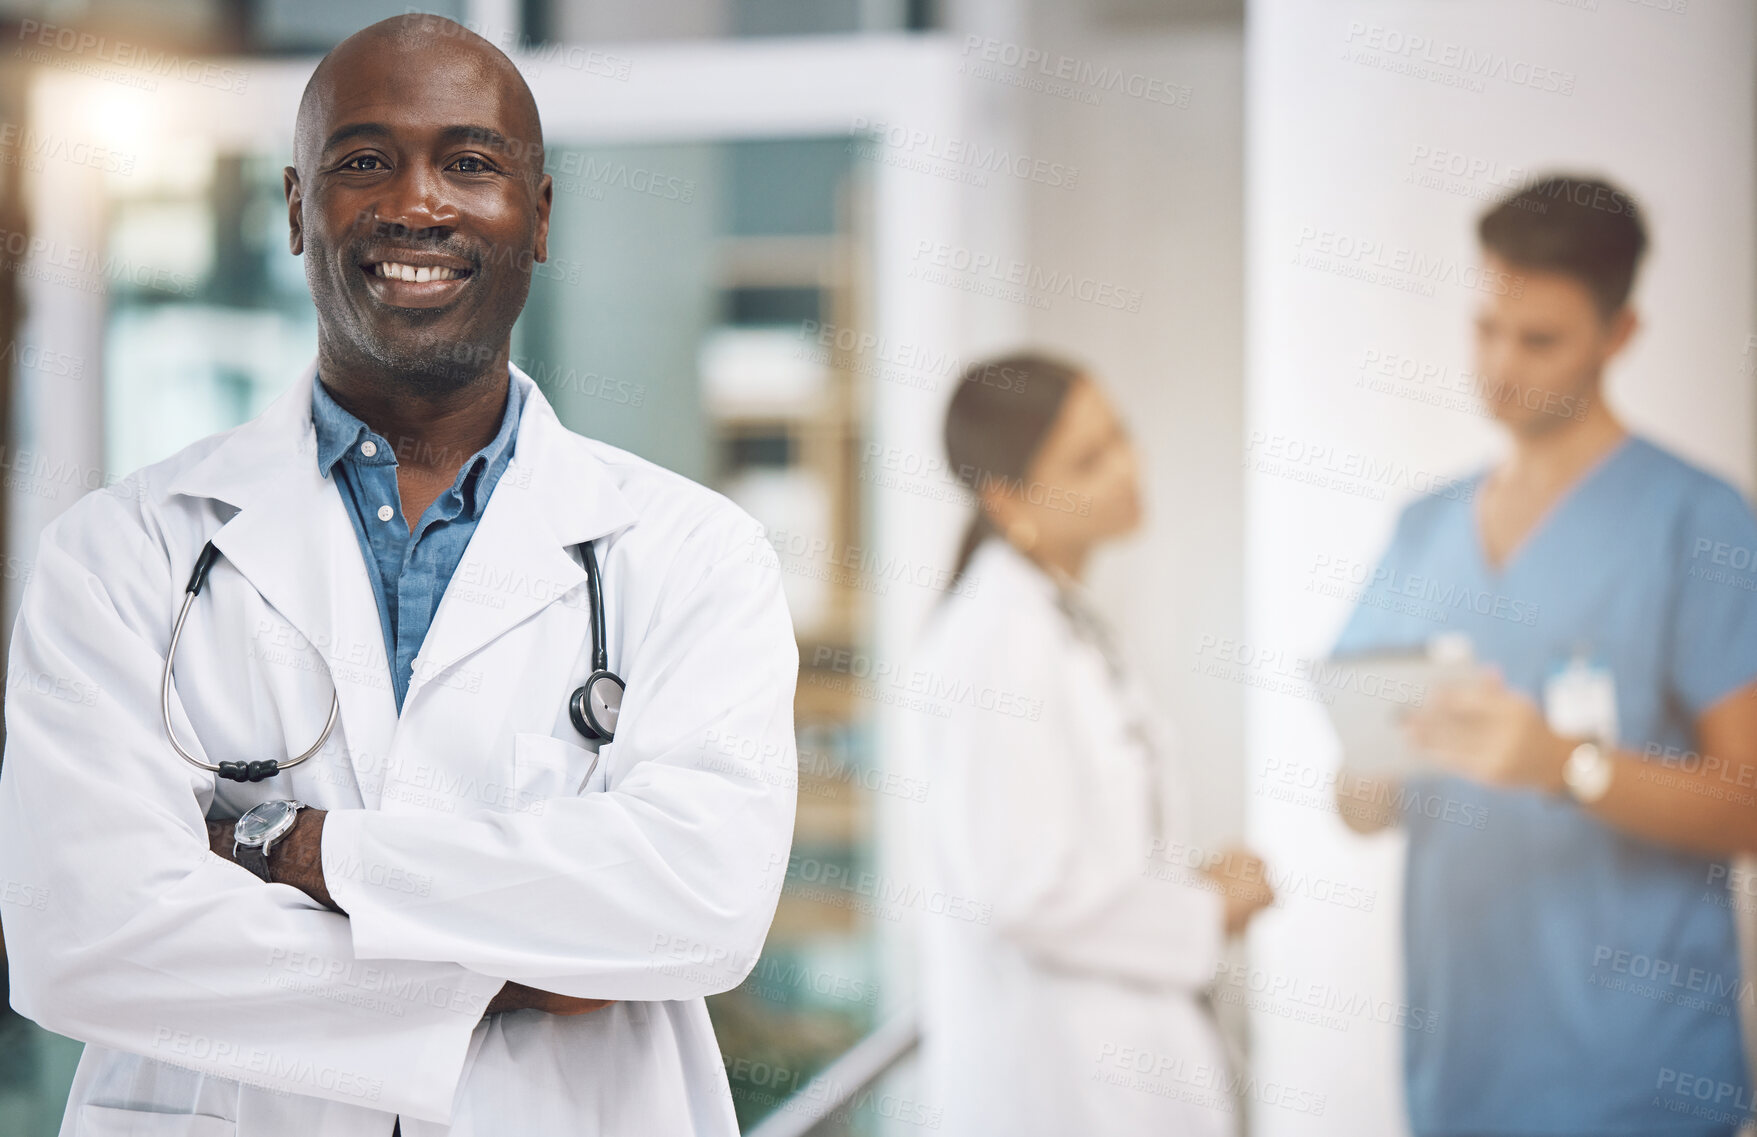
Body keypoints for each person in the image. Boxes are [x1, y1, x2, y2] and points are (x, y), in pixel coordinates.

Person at [0, 16, 798, 1137]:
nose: (417, 204)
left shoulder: (690, 553)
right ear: (293, 207)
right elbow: (79, 939)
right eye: (364, 160)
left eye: (470, 163)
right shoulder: (120, 553)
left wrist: (300, 850)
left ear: (541, 215)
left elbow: (699, 907)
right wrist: (521, 968)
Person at [1333, 175, 1757, 1136]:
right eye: (1484, 328)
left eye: (1538, 340)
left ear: (1619, 335)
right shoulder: (1422, 530)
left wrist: (1563, 765)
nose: (1498, 366)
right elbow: (1360, 802)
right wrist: (1369, 763)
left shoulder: (1695, 521)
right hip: (1462, 1072)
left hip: (1635, 1077)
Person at [905, 353, 1274, 1136]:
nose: (1126, 467)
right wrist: (1207, 911)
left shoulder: (1055, 617)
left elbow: (1081, 851)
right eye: (1088, 457)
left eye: (1120, 436)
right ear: (1007, 500)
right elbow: (1023, 892)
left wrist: (1191, 893)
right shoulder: (993, 642)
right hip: (1057, 1088)